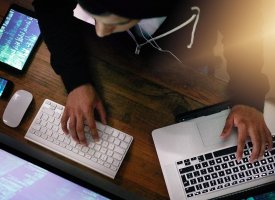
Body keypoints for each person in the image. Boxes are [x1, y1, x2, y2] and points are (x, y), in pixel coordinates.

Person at [32, 0, 272, 162]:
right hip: (119, 63)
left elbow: (244, 28)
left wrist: (248, 96)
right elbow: (49, 6)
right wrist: (76, 79)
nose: (100, 32)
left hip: (188, 68)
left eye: (116, 21)